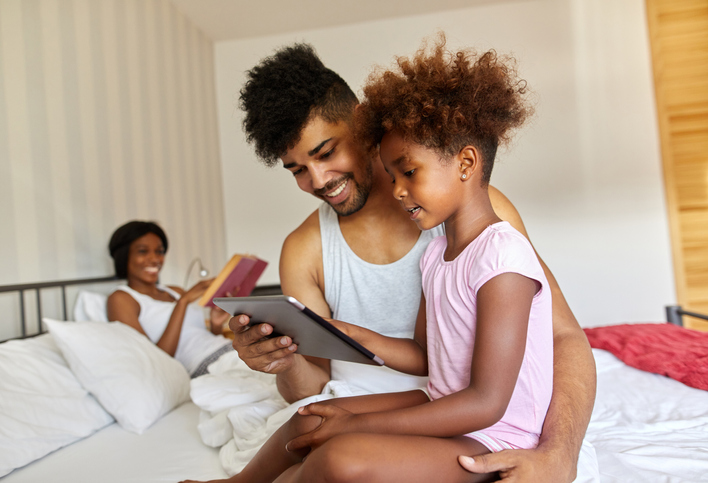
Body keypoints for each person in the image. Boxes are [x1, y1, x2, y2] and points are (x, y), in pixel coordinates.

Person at [183, 40, 554, 483]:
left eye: (324, 153)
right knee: (311, 420)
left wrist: (358, 425)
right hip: (442, 397)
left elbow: (492, 398)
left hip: (489, 428)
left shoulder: (498, 249)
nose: (317, 180)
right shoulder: (436, 252)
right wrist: (334, 336)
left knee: (336, 457)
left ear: (362, 124)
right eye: (297, 169)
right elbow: (424, 355)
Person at [106, 220, 231, 378]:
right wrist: (183, 303)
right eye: (143, 251)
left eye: (159, 251)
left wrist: (216, 325)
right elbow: (155, 360)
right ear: (124, 256)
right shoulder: (121, 298)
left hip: (229, 350)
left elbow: (198, 339)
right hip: (204, 366)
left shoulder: (175, 291)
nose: (155, 259)